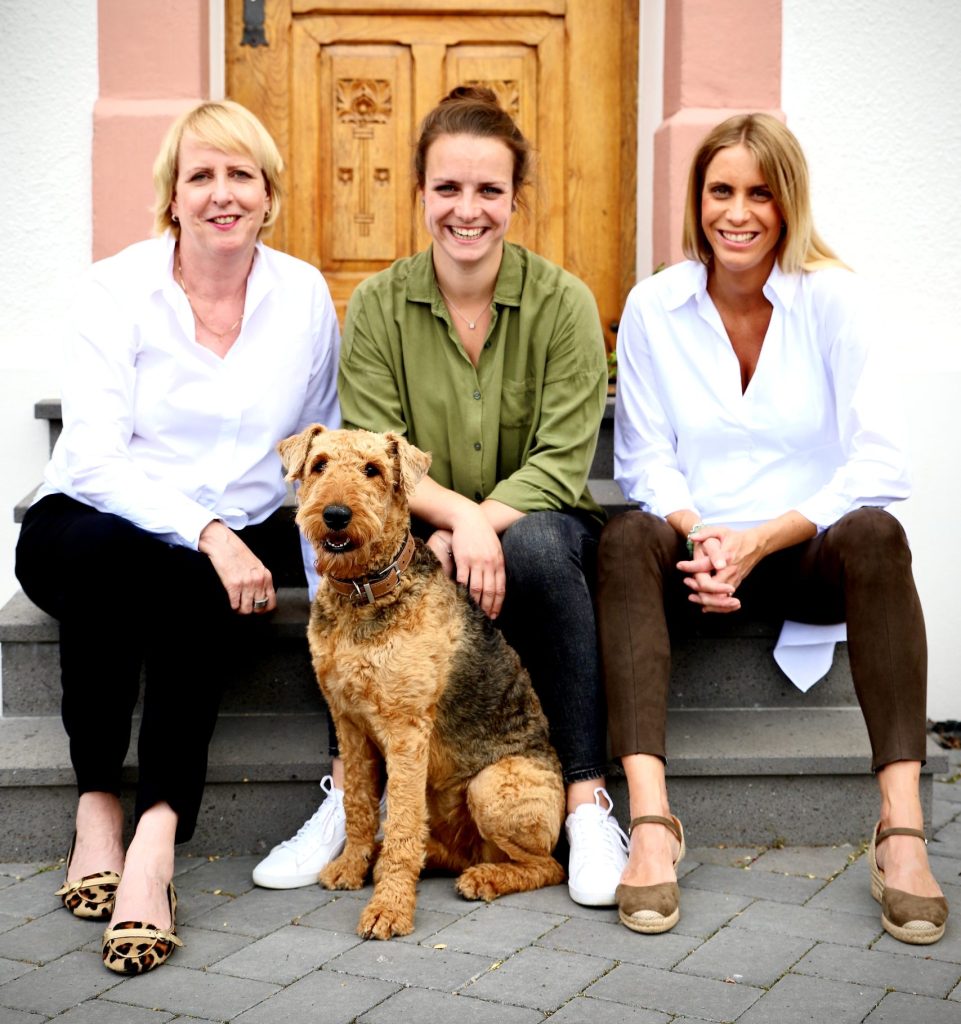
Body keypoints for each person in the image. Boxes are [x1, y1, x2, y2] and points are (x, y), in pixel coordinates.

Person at [254, 85, 629, 907]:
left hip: (535, 519)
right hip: (419, 522)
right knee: (357, 560)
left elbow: (563, 458)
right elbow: (370, 453)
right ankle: (344, 799)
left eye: (489, 190)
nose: (468, 210)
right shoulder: (381, 306)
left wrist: (485, 524)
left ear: (514, 199)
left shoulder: (562, 302)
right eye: (448, 189)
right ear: (420, 194)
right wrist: (455, 518)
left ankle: (584, 800)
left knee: (531, 547)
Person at [597, 112, 947, 944]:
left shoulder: (833, 298)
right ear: (697, 199)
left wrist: (760, 539)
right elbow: (645, 460)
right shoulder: (654, 306)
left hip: (805, 560)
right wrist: (704, 533)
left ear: (788, 203)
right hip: (696, 561)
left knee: (875, 532)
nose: (738, 212)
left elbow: (879, 463)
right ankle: (651, 824)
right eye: (720, 190)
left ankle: (899, 829)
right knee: (620, 538)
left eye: (760, 192)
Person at [14, 99, 341, 974]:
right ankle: (99, 805)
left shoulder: (304, 296)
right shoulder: (115, 289)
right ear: (172, 196)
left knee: (184, 581)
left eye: (241, 175)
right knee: (135, 570)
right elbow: (90, 459)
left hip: (237, 532)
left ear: (269, 194)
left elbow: (317, 446)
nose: (222, 194)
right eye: (201, 175)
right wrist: (203, 529)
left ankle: (148, 837)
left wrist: (335, 583)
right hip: (91, 518)